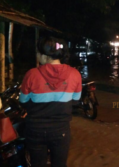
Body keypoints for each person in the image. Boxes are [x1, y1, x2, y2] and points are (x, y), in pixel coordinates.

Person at [20, 36, 82, 167]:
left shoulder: (31, 74)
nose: (36, 55)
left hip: (35, 129)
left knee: (37, 164)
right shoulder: (75, 74)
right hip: (61, 130)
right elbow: (75, 101)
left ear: (44, 55)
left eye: (37, 52)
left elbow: (23, 101)